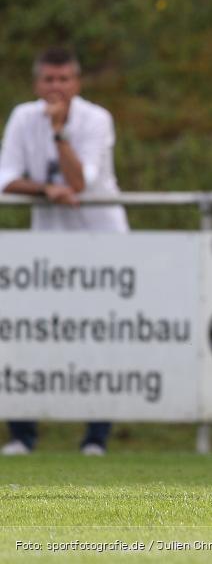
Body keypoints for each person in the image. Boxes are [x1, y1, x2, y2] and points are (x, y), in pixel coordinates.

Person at [0, 47, 127, 456]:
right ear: (37, 84)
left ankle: (95, 438)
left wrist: (59, 134)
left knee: (101, 340)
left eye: (64, 80)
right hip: (49, 250)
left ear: (77, 83)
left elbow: (77, 182)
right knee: (26, 335)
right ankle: (21, 435)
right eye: (49, 80)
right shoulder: (22, 117)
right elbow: (5, 177)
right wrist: (43, 189)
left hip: (101, 247)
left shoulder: (96, 120)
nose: (56, 88)